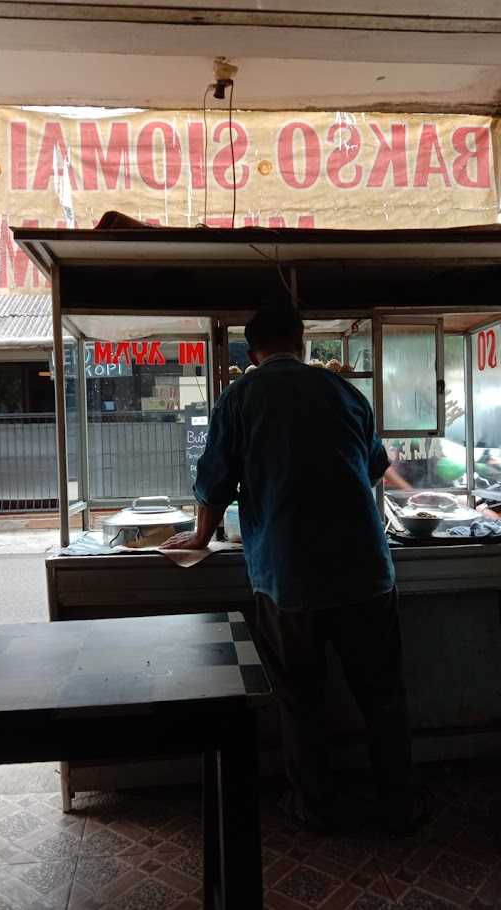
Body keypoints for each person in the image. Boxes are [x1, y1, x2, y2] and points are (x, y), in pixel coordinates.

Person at [164, 304, 415, 834]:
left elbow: (214, 484)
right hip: (366, 571)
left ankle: (314, 806)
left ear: (251, 352)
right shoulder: (345, 392)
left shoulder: (240, 397)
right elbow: (372, 466)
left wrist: (200, 537)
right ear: (300, 343)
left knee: (301, 699)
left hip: (289, 576)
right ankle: (400, 803)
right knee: (383, 696)